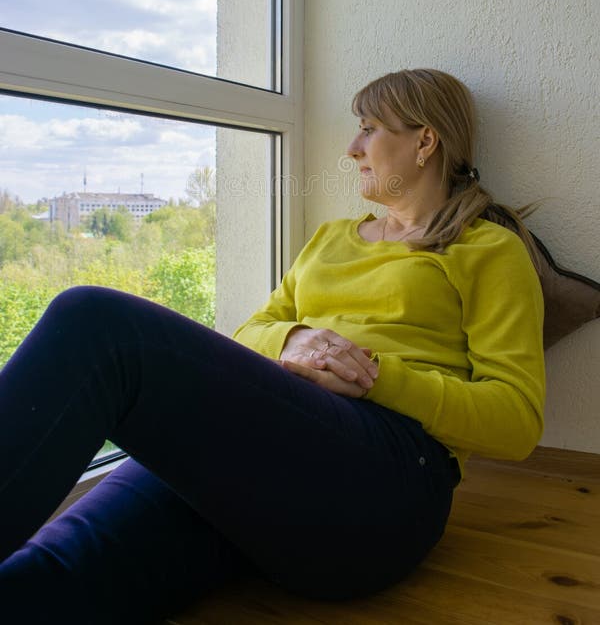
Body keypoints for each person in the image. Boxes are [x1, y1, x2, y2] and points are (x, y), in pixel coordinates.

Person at [0, 69, 545, 625]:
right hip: (276, 459)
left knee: (94, 322)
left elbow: (517, 420)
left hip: (388, 479)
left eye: (369, 128)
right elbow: (250, 332)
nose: (351, 147)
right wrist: (298, 336)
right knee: (41, 580)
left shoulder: (487, 249)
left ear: (425, 141)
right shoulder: (331, 239)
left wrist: (374, 377)